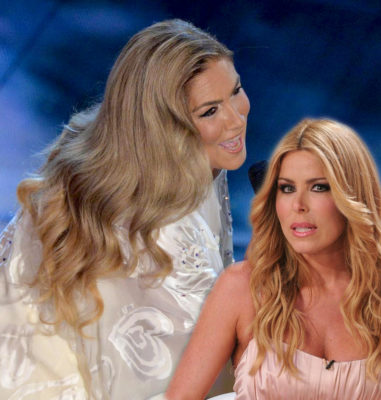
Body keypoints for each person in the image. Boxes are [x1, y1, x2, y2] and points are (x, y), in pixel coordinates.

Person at [0, 19, 249, 399]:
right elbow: (198, 375)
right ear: (165, 127)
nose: (236, 118)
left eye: (236, 90)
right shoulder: (161, 222)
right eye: (209, 111)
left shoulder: (122, 147)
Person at [166, 118, 381, 399]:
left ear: (354, 199)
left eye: (318, 187)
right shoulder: (240, 287)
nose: (298, 205)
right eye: (286, 188)